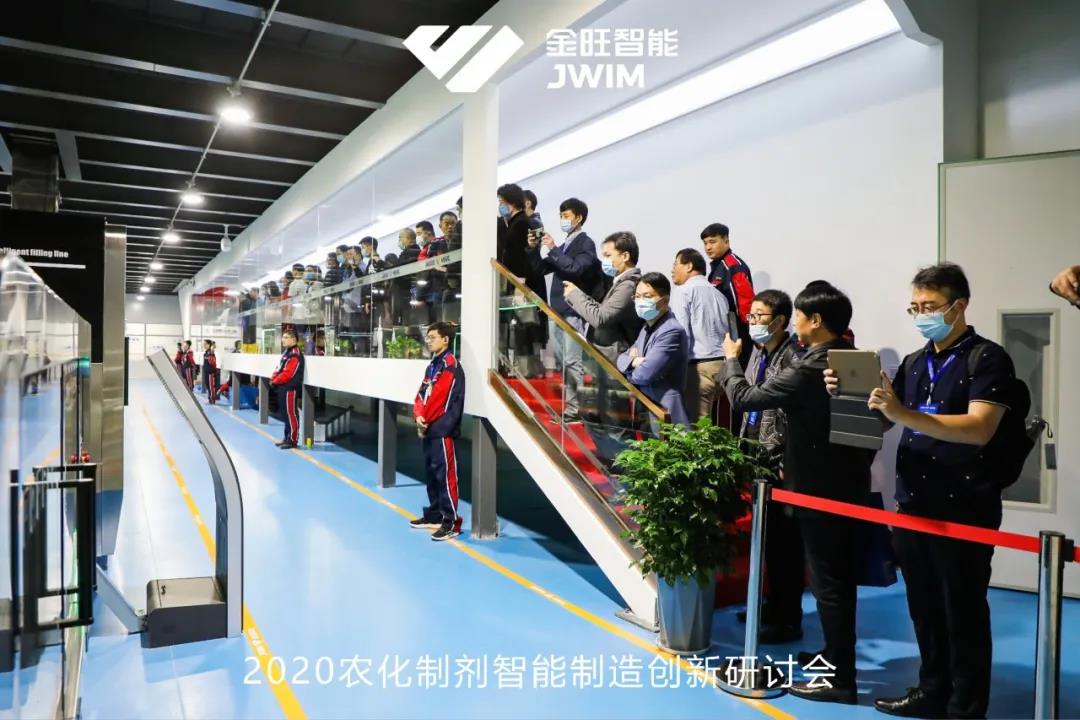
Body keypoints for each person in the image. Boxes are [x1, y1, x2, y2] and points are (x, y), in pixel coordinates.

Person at [824, 264, 1014, 719]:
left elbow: (979, 428)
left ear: (959, 306)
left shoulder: (987, 359)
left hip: (964, 505)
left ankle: (965, 706)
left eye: (929, 306)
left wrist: (903, 414)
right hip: (913, 501)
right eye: (915, 307)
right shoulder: (914, 361)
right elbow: (886, 418)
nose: (921, 315)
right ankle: (932, 690)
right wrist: (849, 395)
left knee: (963, 608)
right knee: (924, 607)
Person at [720, 280, 872, 704]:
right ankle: (834, 656)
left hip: (818, 490)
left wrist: (731, 361)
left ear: (814, 320)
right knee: (833, 582)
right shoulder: (853, 358)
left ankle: (840, 679)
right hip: (845, 485)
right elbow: (872, 432)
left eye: (800, 316)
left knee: (829, 585)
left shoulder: (809, 366)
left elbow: (746, 398)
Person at [736, 289, 804, 643]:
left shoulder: (793, 358)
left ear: (779, 321)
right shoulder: (759, 352)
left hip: (779, 464)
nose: (753, 322)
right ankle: (770, 606)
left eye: (759, 316)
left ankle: (788, 618)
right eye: (751, 315)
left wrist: (785, 461)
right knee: (767, 542)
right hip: (756, 457)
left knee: (785, 545)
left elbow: (791, 417)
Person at [533, 197, 603, 421]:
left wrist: (554, 249)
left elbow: (575, 269)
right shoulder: (564, 246)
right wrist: (533, 248)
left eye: (566, 216)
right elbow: (540, 269)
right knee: (564, 361)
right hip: (557, 310)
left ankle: (575, 410)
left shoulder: (585, 243)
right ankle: (572, 408)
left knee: (573, 361)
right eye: (561, 216)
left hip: (573, 310)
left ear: (578, 218)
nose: (562, 219)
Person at [409, 322, 466, 541]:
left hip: (443, 429)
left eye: (433, 337)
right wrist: (418, 416)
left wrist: (425, 420)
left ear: (446, 340)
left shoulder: (450, 365)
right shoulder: (432, 365)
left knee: (446, 477)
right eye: (428, 337)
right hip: (428, 427)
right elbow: (422, 394)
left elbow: (440, 399)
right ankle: (434, 515)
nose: (428, 341)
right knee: (432, 475)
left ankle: (451, 522)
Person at [616, 273, 690, 427]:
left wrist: (629, 371)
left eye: (647, 296)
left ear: (665, 300)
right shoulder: (646, 327)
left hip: (664, 409)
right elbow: (621, 358)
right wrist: (634, 361)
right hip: (646, 405)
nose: (640, 301)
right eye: (637, 297)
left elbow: (644, 375)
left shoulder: (672, 331)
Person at [670, 248, 731, 423]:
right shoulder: (719, 295)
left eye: (675, 264)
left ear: (689, 266)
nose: (672, 269)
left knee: (695, 428)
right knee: (713, 424)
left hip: (698, 369)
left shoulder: (683, 291)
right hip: (722, 366)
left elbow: (681, 335)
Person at [563, 230, 643, 361]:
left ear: (625, 256)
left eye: (608, 255)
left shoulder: (628, 285)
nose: (604, 260)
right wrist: (577, 293)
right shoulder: (620, 282)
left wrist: (574, 295)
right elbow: (603, 309)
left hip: (615, 358)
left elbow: (600, 318)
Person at [701, 222, 754, 365]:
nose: (708, 247)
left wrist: (749, 334)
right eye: (705, 243)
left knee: (734, 376)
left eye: (712, 242)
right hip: (723, 336)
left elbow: (746, 306)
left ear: (726, 241)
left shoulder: (733, 267)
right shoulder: (718, 266)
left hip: (737, 336)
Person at [270, 329, 304, 449]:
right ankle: (286, 438)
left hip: (290, 388)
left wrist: (275, 381)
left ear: (293, 339)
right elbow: (278, 368)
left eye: (285, 337)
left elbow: (288, 373)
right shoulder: (286, 353)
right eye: (283, 337)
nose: (282, 340)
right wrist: (273, 378)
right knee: (285, 414)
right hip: (282, 387)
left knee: (291, 414)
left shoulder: (295, 354)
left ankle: (293, 440)